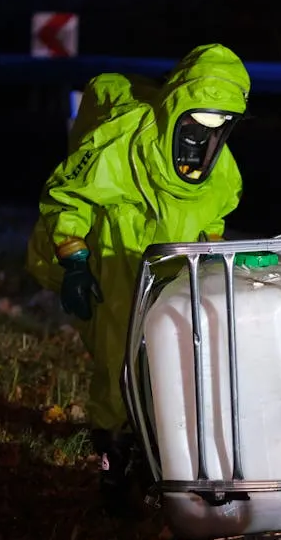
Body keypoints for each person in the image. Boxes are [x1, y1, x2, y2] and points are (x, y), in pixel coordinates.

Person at [26, 43, 250, 511]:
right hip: (117, 265)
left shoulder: (222, 171)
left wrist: (207, 262)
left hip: (175, 280)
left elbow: (216, 217)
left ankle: (158, 462)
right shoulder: (121, 140)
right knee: (117, 367)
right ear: (175, 110)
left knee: (173, 367)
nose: (201, 140)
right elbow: (68, 196)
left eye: (217, 128)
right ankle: (114, 468)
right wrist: (73, 259)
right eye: (196, 124)